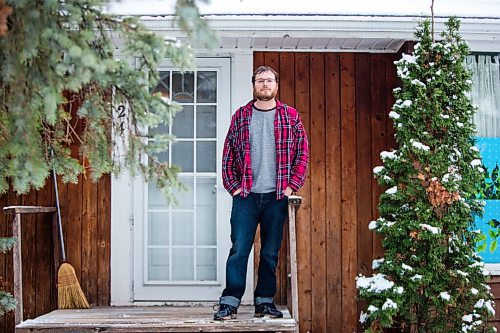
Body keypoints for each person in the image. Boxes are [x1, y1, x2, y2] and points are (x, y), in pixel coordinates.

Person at [213, 65, 309, 320]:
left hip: (277, 196)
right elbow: (228, 154)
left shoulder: (290, 116)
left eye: (269, 80)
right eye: (260, 80)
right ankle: (230, 302)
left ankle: (264, 302)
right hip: (246, 195)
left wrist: (291, 186)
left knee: (269, 252)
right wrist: (234, 188)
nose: (265, 84)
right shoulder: (241, 116)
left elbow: (302, 154)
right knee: (239, 249)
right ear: (253, 85)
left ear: (276, 85)